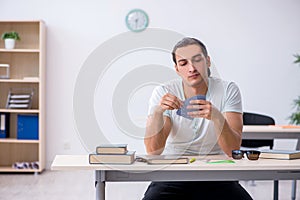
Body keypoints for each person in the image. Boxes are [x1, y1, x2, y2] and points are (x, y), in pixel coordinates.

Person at [143, 37, 252, 200]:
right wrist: (158, 112)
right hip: (173, 174)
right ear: (177, 69)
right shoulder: (164, 91)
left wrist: (216, 117)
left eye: (197, 60)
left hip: (217, 174)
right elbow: (153, 150)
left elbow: (232, 150)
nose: (192, 68)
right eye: (183, 63)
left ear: (208, 61)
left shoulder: (228, 89)